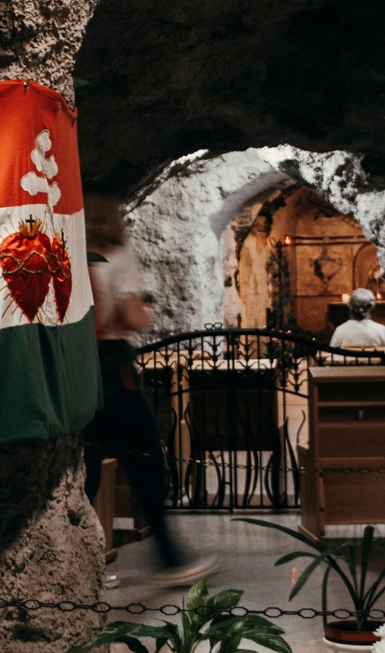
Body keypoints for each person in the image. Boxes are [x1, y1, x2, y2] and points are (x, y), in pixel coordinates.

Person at [81, 191, 217, 589]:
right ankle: (171, 560)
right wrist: (147, 308)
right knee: (146, 463)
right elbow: (133, 316)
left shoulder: (69, 254)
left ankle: (82, 568)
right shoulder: (118, 253)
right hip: (113, 366)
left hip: (77, 367)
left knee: (85, 470)